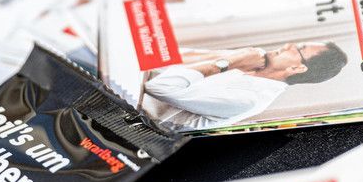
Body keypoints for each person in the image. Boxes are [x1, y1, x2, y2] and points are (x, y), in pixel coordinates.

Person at [144, 42, 349, 130]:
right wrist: (232, 57)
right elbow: (174, 55)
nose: (288, 45)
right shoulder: (254, 62)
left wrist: (230, 61)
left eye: (298, 48)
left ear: (297, 68)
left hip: (135, 108)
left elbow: (159, 87)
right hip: (138, 76)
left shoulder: (251, 99)